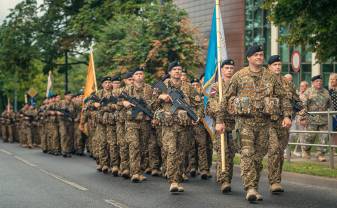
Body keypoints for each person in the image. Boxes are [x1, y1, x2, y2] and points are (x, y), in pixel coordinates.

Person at [215, 45, 292, 202]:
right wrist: (219, 121)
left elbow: (283, 97)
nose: (259, 57)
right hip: (245, 124)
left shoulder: (270, 76)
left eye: (261, 54)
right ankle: (249, 188)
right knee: (247, 154)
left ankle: (254, 187)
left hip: (264, 124)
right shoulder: (239, 76)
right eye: (256, 55)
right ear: (249, 58)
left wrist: (287, 115)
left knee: (257, 158)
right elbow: (225, 99)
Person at [154, 61, 201, 192]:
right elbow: (151, 105)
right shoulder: (162, 86)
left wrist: (196, 117)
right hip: (169, 126)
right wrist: (161, 97)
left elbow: (199, 104)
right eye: (174, 69)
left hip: (184, 126)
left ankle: (178, 179)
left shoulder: (188, 87)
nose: (177, 71)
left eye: (179, 69)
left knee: (181, 154)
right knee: (171, 151)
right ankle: (173, 181)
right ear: (169, 72)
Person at [266, 55, 301, 194]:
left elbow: (296, 100)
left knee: (280, 152)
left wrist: (302, 113)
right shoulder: (264, 80)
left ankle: (277, 179)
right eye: (275, 64)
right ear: (269, 66)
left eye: (279, 64)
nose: (278, 67)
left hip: (284, 123)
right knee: (274, 149)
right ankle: (273, 181)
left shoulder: (287, 82)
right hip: (268, 122)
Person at [206, 59, 236, 193]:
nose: (229, 70)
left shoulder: (237, 85)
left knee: (231, 153)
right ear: (222, 70)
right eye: (227, 68)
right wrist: (219, 119)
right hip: (220, 124)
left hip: (235, 124)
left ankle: (228, 179)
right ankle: (223, 180)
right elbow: (211, 104)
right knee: (222, 152)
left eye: (231, 68)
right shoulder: (215, 87)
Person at [121, 67, 154, 182]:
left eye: (141, 74)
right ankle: (134, 172)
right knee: (134, 146)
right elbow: (116, 101)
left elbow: (155, 103)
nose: (139, 75)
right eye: (137, 74)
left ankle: (140, 170)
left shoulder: (149, 89)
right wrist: (123, 102)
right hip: (132, 122)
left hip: (145, 122)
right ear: (133, 77)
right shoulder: (127, 89)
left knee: (143, 148)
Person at [300, 75, 331, 162]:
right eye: (317, 81)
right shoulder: (308, 92)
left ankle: (320, 154)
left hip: (324, 119)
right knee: (310, 137)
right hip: (312, 119)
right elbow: (303, 106)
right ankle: (306, 151)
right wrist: (303, 118)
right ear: (313, 82)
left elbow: (330, 105)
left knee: (324, 137)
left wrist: (331, 115)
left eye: (320, 81)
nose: (319, 83)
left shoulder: (326, 92)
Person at [328, 73, 337, 148]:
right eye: (331, 79)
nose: (332, 80)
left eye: (333, 79)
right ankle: (333, 148)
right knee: (333, 131)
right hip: (331, 114)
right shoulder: (328, 90)